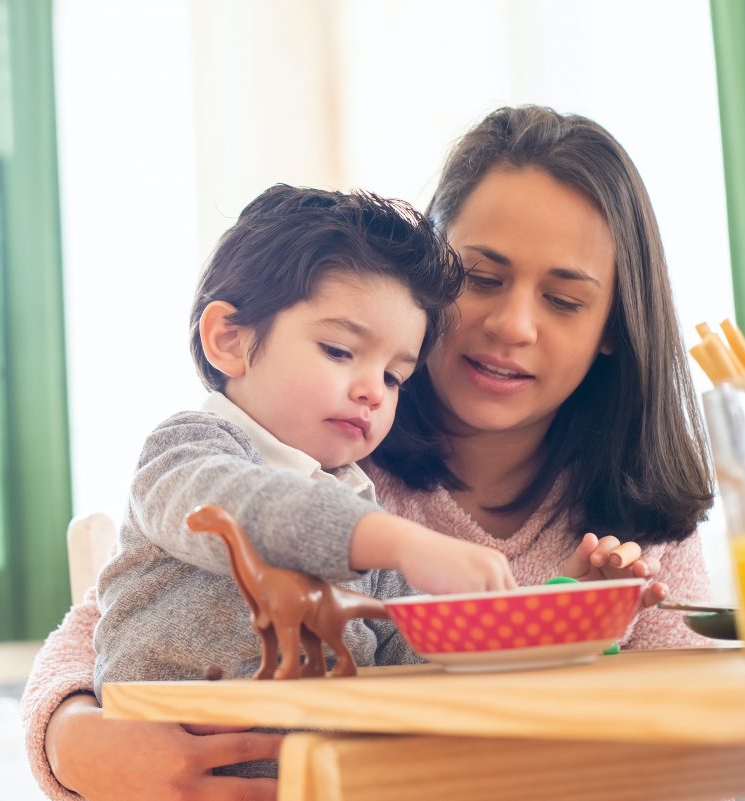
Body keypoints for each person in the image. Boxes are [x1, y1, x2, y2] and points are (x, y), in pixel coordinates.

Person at [21, 105, 715, 801]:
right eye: (482, 278)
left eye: (564, 299)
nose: (513, 325)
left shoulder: (640, 523)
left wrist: (559, 617)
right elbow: (104, 617)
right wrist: (73, 741)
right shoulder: (307, 454)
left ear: (613, 329)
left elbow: (697, 766)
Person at [93, 183, 519, 716]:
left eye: (393, 377)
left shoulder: (360, 506)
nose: (372, 391)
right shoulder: (185, 450)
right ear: (229, 339)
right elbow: (245, 510)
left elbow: (408, 659)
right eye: (339, 351)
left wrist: (538, 614)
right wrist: (399, 541)